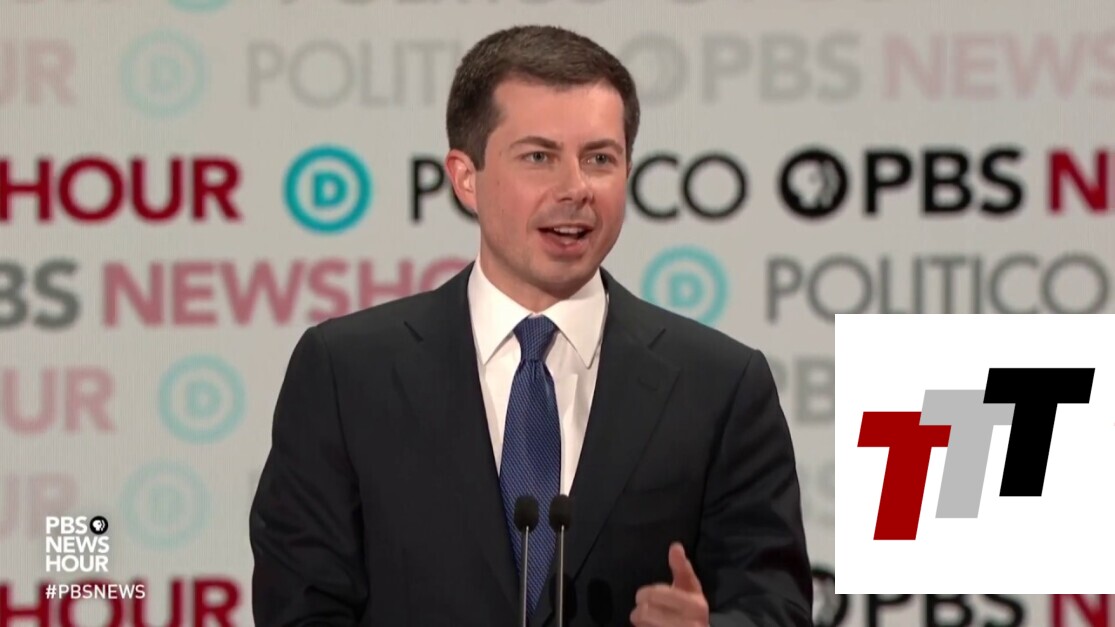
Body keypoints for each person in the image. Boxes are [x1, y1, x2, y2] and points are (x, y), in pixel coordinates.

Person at [249, 24, 812, 627]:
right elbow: (300, 606)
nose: (575, 189)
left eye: (600, 159)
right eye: (539, 157)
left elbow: (775, 605)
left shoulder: (720, 386)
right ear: (466, 177)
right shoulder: (346, 373)